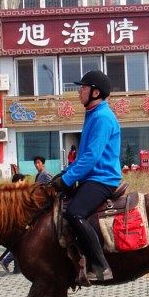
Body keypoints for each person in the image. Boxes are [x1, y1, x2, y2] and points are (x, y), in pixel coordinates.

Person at [51, 70, 122, 283]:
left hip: (102, 179)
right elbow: (84, 156)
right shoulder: (93, 114)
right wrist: (66, 173)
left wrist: (66, 180)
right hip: (92, 176)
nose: (79, 91)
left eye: (83, 87)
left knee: (74, 213)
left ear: (95, 92)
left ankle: (101, 266)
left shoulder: (102, 117)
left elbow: (91, 157)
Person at [0, 173, 27, 274]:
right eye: (23, 181)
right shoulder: (15, 191)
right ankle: (7, 262)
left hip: (11, 220)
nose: (24, 183)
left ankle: (16, 268)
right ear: (19, 180)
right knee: (18, 244)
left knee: (17, 243)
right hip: (14, 221)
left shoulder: (9, 189)